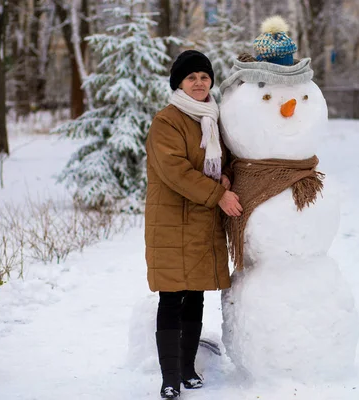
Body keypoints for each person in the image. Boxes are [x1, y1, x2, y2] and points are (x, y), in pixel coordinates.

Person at [145, 50, 242, 399]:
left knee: (196, 295)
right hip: (172, 221)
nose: (200, 83)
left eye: (204, 76)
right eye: (191, 78)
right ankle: (169, 377)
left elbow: (229, 159)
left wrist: (228, 178)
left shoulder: (214, 119)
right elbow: (175, 171)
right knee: (172, 297)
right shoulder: (167, 121)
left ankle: (188, 369)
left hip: (203, 221)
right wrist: (218, 194)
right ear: (179, 84)